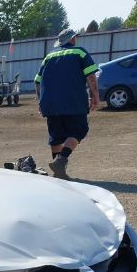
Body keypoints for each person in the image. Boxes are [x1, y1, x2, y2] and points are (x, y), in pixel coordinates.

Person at [34, 28, 100, 179]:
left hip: (50, 103)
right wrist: (95, 95)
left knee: (56, 136)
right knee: (78, 131)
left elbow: (37, 81)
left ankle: (59, 172)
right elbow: (91, 75)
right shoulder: (79, 52)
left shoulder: (48, 57)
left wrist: (40, 100)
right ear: (73, 39)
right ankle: (61, 160)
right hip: (73, 101)